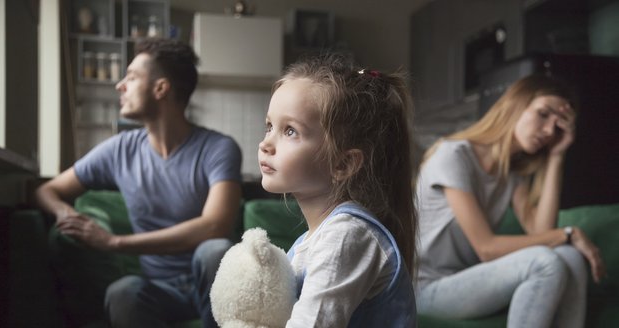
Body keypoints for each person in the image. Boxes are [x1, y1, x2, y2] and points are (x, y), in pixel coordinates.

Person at [35, 38, 243, 327]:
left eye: (131, 77)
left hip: (210, 284)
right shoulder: (120, 149)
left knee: (215, 250)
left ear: (161, 88)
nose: (120, 85)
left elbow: (214, 226)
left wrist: (113, 242)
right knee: (123, 292)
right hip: (160, 290)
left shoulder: (218, 148)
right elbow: (47, 190)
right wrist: (64, 213)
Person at [414, 74, 607, 327]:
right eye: (543, 114)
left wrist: (557, 156)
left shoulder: (512, 176)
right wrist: (568, 233)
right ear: (515, 105)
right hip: (424, 289)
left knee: (569, 257)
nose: (549, 131)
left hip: (471, 280)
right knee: (544, 262)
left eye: (558, 127)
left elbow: (542, 234)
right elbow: (487, 248)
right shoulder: (453, 156)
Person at [257, 54, 417, 327]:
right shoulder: (310, 242)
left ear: (342, 164)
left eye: (290, 131)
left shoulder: (346, 236)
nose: (266, 144)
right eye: (270, 126)